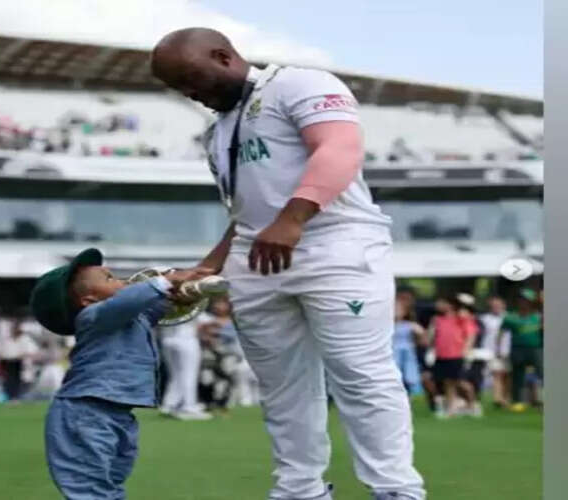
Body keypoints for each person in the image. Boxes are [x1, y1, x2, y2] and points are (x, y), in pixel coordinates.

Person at [151, 28, 424, 500]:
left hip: (333, 245)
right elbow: (246, 213)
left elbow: (339, 148)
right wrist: (207, 266)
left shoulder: (300, 83)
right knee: (282, 390)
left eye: (193, 79)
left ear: (223, 56)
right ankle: (300, 491)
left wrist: (293, 218)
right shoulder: (218, 132)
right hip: (257, 259)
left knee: (360, 375)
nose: (193, 94)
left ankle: (396, 491)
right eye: (181, 89)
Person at [29, 248, 211, 499]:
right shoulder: (92, 316)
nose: (124, 281)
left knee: (111, 486)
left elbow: (170, 299)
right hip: (86, 412)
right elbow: (133, 298)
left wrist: (186, 288)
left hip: (117, 414)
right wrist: (165, 281)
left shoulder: (133, 317)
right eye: (110, 278)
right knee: (90, 490)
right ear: (88, 300)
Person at [429, 296, 481, 418]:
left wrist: (466, 349)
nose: (438, 305)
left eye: (442, 302)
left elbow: (471, 334)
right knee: (448, 383)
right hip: (442, 354)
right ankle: (451, 410)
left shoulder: (461, 318)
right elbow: (433, 337)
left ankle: (473, 405)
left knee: (461, 382)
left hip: (456, 354)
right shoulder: (438, 319)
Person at [158, 316, 212, 420]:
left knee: (175, 375)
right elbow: (206, 320)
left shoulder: (163, 303)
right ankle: (189, 406)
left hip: (167, 339)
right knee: (189, 374)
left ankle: (169, 405)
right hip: (187, 338)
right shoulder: (192, 302)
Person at [498, 289, 544, 413]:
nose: (523, 302)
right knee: (517, 376)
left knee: (543, 373)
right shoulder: (511, 317)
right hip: (517, 349)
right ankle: (518, 401)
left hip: (536, 349)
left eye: (526, 300)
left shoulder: (538, 317)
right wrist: (498, 349)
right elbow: (501, 334)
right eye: (521, 300)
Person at [0, 320, 39, 403]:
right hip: (7, 361)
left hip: (19, 361)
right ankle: (10, 397)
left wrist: (22, 356)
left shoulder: (25, 338)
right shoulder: (6, 338)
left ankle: (16, 397)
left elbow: (32, 351)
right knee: (8, 380)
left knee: (17, 379)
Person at [478, 296, 510, 408]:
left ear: (503, 305)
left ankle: (505, 398)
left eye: (498, 305)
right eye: (493, 305)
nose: (495, 307)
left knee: (506, 375)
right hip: (490, 351)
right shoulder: (484, 318)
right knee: (497, 374)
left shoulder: (509, 317)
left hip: (507, 350)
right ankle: (498, 399)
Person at [392, 298, 426, 395]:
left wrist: (419, 340)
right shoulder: (388, 325)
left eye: (398, 309)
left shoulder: (409, 325)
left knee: (409, 373)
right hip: (392, 353)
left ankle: (413, 391)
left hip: (407, 354)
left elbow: (422, 333)